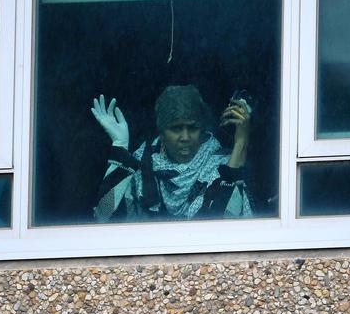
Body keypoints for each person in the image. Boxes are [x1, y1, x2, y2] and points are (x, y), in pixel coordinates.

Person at [91, 85, 253, 222]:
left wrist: (240, 143)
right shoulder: (143, 161)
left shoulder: (223, 166)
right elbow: (104, 218)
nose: (185, 137)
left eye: (192, 128)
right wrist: (120, 146)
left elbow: (220, 230)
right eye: (176, 128)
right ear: (162, 132)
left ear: (202, 130)